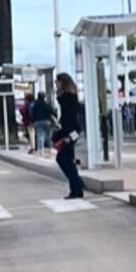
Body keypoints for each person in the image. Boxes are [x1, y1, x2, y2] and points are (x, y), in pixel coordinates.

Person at [52, 72, 86, 200]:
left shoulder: (67, 98)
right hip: (72, 131)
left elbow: (69, 118)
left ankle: (76, 187)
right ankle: (77, 183)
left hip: (70, 132)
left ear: (62, 83)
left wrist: (67, 136)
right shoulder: (71, 96)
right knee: (67, 159)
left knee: (64, 159)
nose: (56, 84)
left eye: (57, 81)